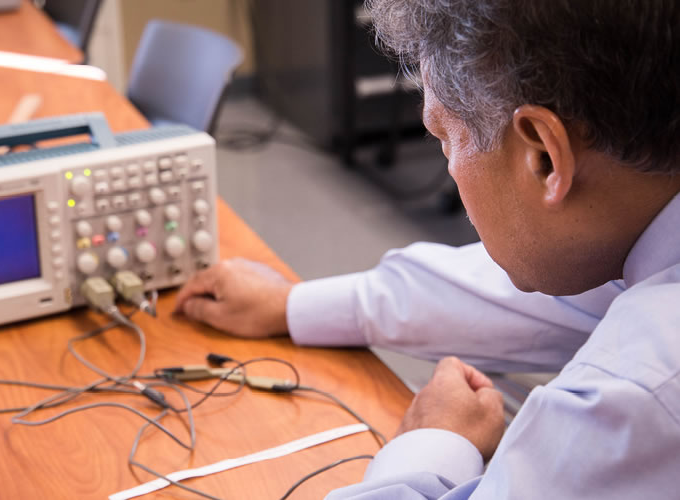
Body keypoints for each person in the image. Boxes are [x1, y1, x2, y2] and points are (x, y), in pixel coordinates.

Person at [173, 0, 680, 498]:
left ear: (545, 158)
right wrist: (291, 305)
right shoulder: (640, 226)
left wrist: (433, 445)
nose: (450, 167)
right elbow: (539, 296)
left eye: (444, 137)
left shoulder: (633, 401)